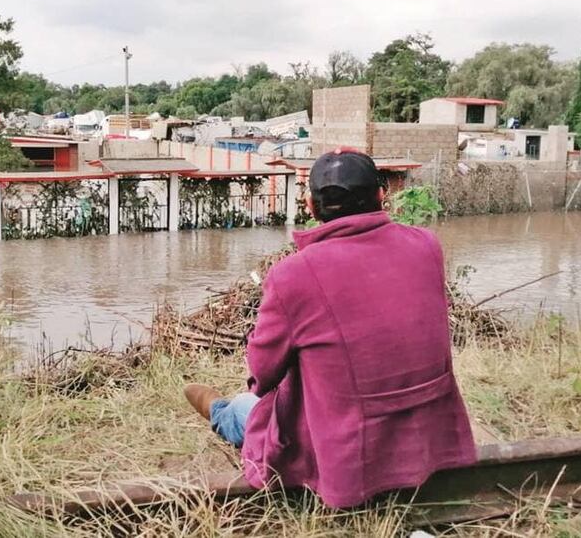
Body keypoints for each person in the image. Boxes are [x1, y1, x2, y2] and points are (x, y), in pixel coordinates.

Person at [183, 148, 477, 509]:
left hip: (353, 449)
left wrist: (267, 388)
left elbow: (263, 372)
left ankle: (218, 411)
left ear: (310, 206)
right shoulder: (427, 245)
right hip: (429, 434)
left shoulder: (293, 275)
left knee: (247, 408)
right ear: (382, 196)